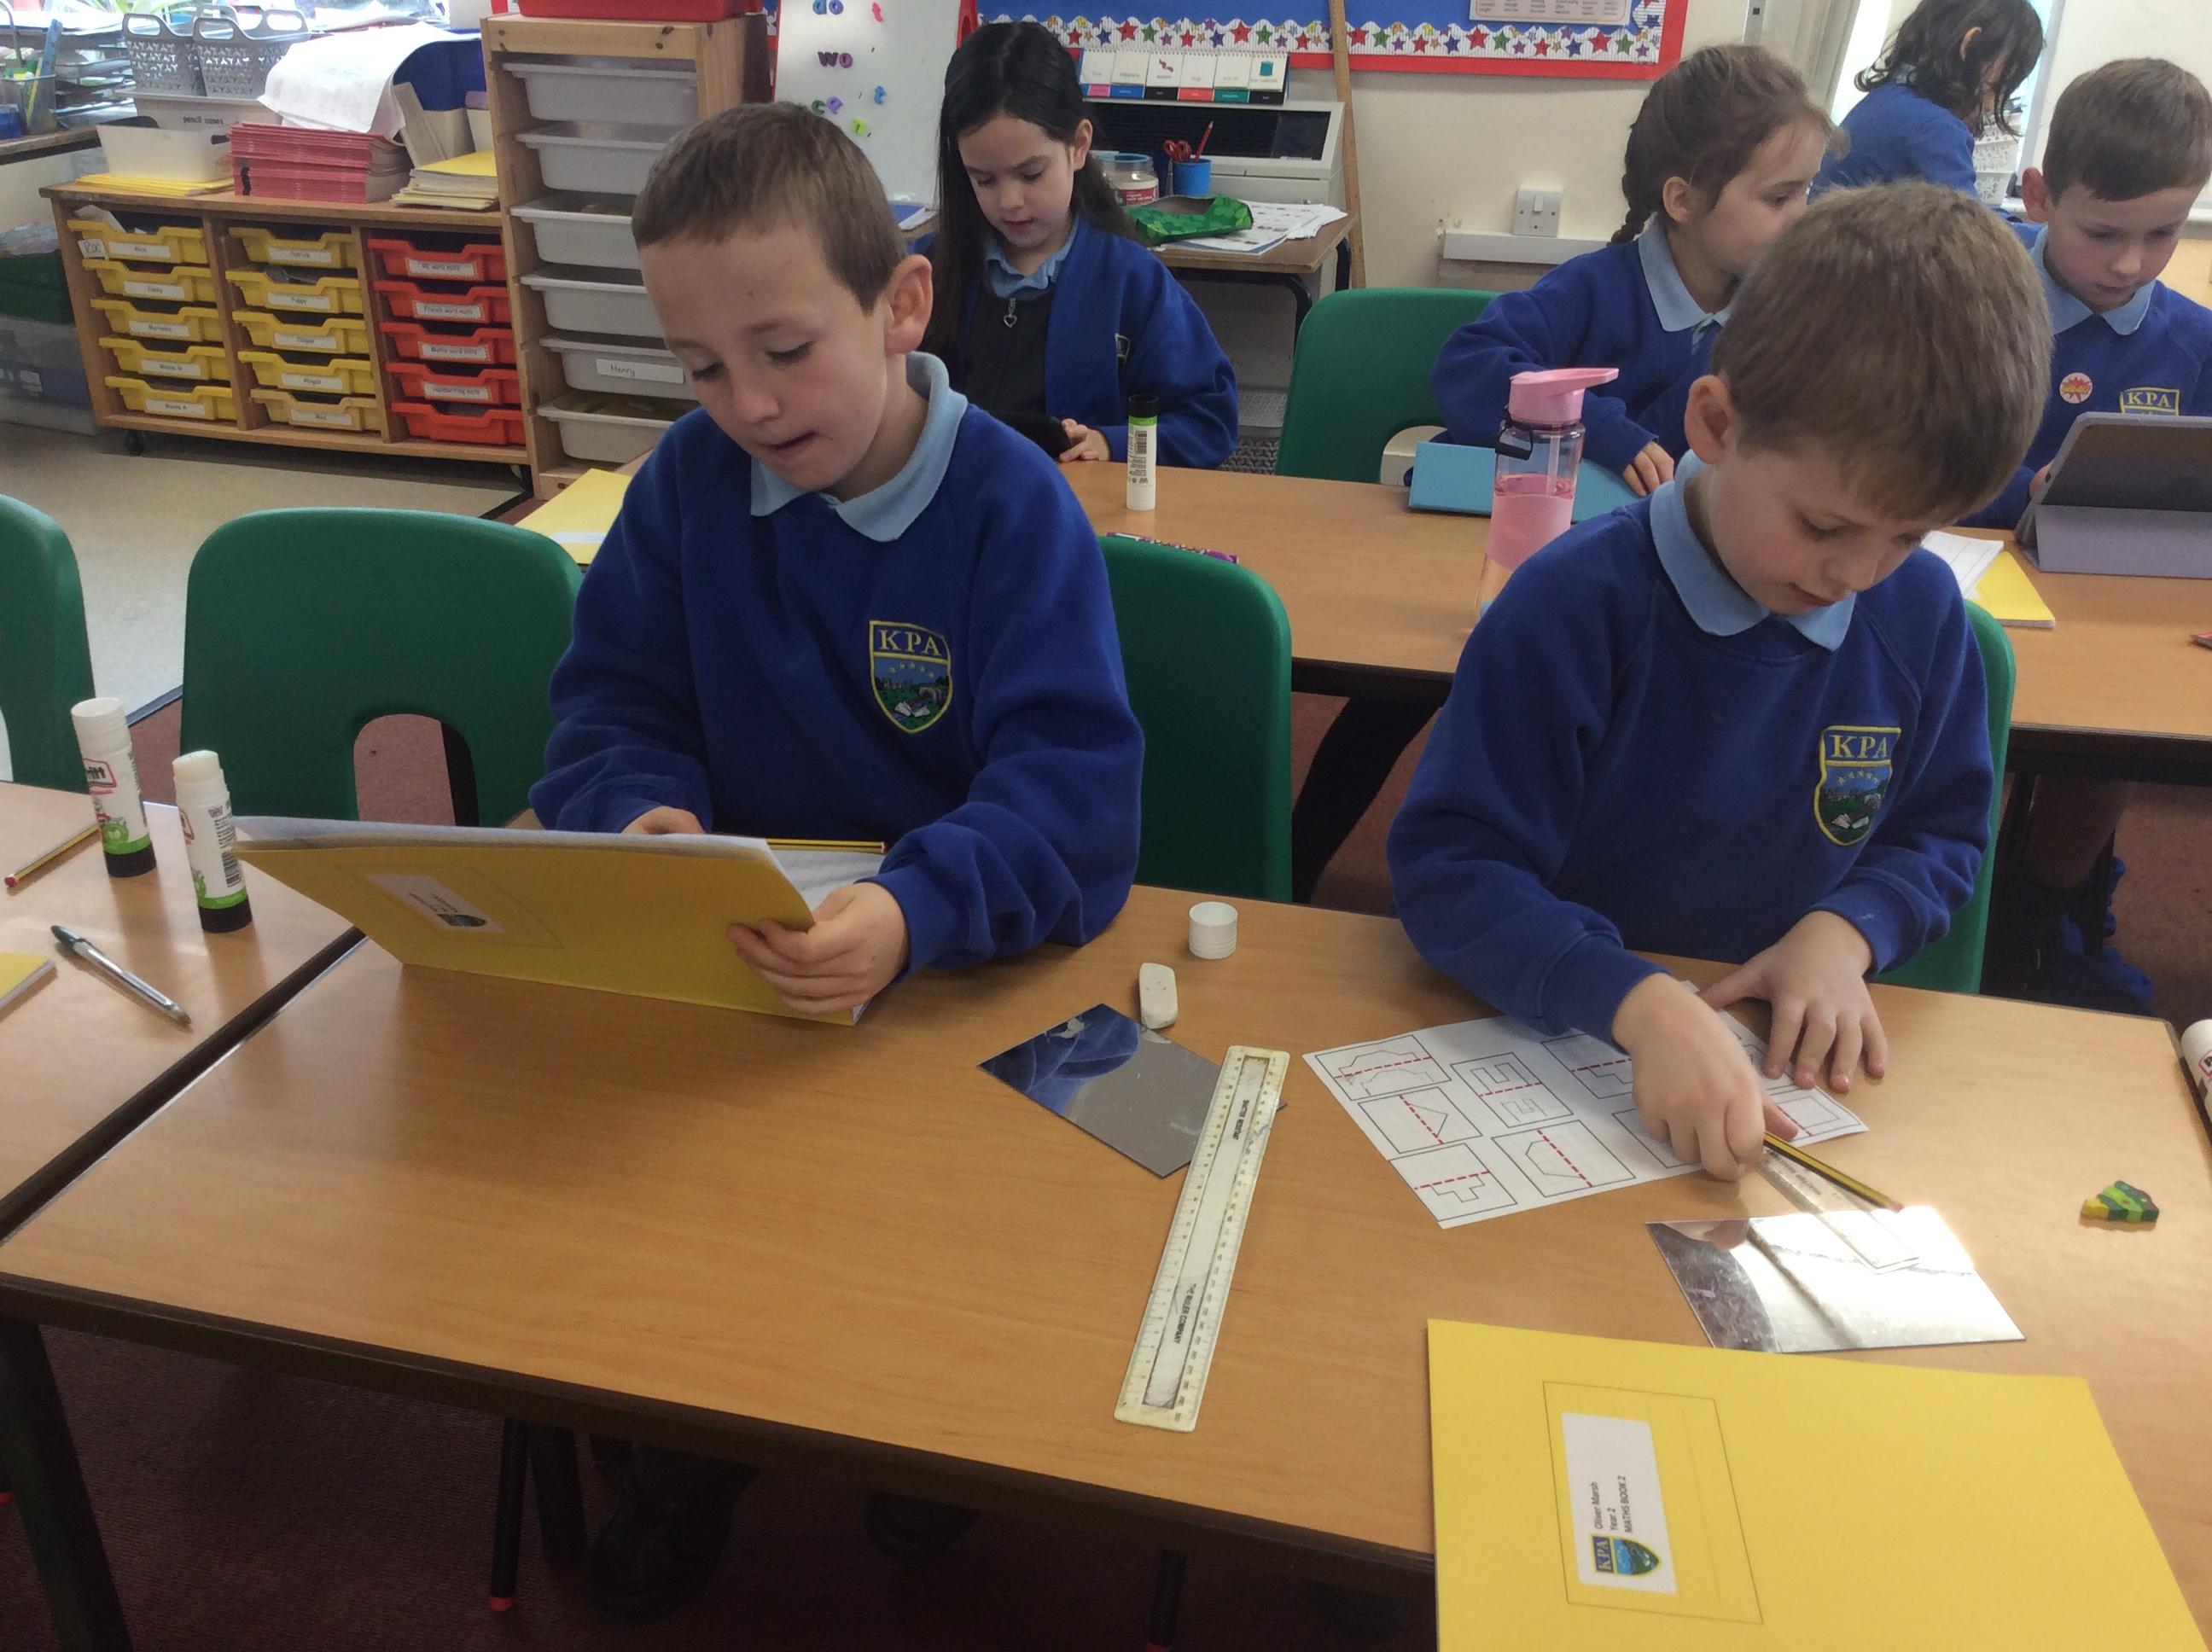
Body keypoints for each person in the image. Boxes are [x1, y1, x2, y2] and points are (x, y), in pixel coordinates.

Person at [529, 100, 1145, 1622]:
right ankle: (695, 1454)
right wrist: (641, 820)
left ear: (902, 304)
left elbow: (1074, 800)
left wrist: (911, 908)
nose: (746, 402)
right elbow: (609, 713)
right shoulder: (687, 487)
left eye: (786, 349)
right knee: (673, 1203)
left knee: (972, 1229)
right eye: (701, 367)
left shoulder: (1009, 506)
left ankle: (929, 1423)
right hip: (751, 973)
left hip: (959, 976)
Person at [1389, 183, 2048, 1180]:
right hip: (1568, 1058)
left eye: (1909, 536)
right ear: (1715, 423)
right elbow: (1450, 868)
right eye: (1823, 526)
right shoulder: (1570, 605)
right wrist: (1633, 999)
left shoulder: (1918, 618)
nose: (1857, 573)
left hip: (1786, 1078)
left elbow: (1941, 836)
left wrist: (1848, 931)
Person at [1296, 44, 1831, 905]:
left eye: (1808, 192)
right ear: (1683, 199)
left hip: (1655, 578)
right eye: (1780, 197)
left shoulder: (1774, 315)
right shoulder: (1596, 289)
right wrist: (1602, 429)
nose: (1803, 218)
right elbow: (1471, 365)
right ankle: (1291, 870)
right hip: (1519, 561)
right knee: (1392, 700)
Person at [1970, 59, 2212, 1009]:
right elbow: (1902, 449)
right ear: (2038, 196)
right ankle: (1948, 904)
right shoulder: (1974, 300)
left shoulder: (2195, 342)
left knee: (2117, 729)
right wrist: (2020, 491)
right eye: (2103, 233)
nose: (2129, 263)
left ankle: (2045, 915)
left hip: (2120, 616)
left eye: (2164, 232)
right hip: (1968, 583)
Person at [919, 20, 1237, 467]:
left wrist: (1113, 443)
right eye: (984, 180)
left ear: (1079, 146)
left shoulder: (1131, 281)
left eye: (1031, 174)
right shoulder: (926, 272)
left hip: (1083, 506)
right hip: (962, 503)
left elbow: (1209, 419)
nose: (1010, 202)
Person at [1813, 0, 2044, 195]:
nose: (1992, 105)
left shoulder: (1883, 100)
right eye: (2001, 86)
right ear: (1970, 45)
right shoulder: (1935, 129)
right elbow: (1973, 226)